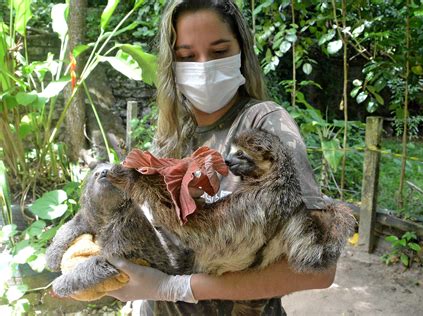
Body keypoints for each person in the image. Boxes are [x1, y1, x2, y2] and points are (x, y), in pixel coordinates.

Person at [108, 0, 337, 314]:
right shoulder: (172, 135)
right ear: (171, 63)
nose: (203, 66)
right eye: (187, 56)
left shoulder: (265, 124)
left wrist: (173, 288)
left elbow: (321, 269)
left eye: (218, 52)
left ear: (241, 52)